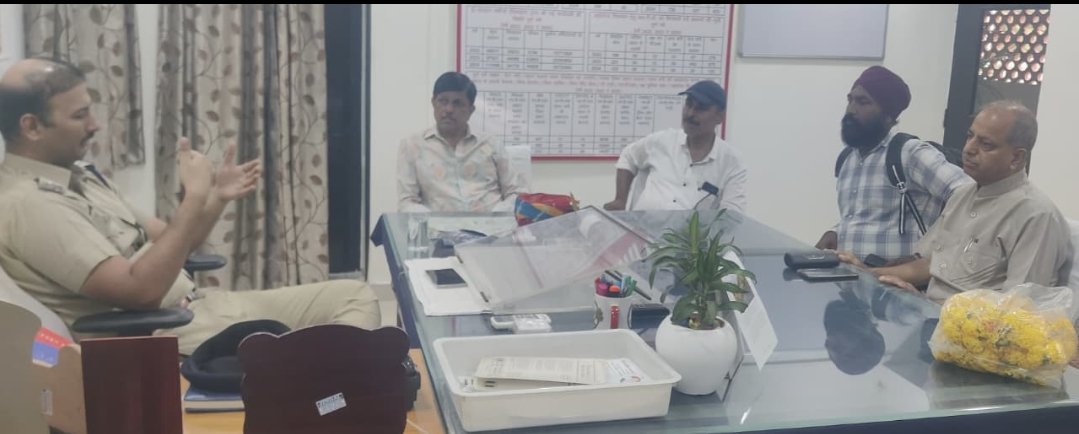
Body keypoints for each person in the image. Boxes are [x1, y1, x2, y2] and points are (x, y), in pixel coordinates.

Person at [0, 58, 380, 354]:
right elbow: (140, 291)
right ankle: (319, 395)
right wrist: (193, 197)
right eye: (80, 115)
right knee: (342, 339)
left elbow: (174, 242)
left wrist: (214, 198)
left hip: (196, 308)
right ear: (32, 127)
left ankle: (320, 390)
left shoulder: (79, 176)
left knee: (353, 295)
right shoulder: (30, 205)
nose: (95, 125)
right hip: (163, 335)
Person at [839, 101, 1072, 303]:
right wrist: (865, 274)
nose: (969, 149)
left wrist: (923, 303)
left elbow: (1019, 308)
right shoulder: (962, 196)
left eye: (986, 144)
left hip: (973, 334)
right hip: (930, 317)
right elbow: (931, 264)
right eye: (970, 136)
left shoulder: (1035, 216)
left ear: (1016, 157)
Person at [816, 66, 970, 263]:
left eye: (863, 102)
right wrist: (835, 231)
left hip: (897, 279)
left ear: (888, 115)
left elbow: (967, 194)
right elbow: (862, 216)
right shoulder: (846, 160)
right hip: (850, 276)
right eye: (850, 100)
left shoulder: (909, 153)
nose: (851, 110)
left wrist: (929, 252)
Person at [603, 80, 747, 215]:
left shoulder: (732, 162)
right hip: (641, 230)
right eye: (688, 105)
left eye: (701, 108)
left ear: (720, 117)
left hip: (689, 234)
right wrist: (620, 200)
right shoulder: (662, 141)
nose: (690, 114)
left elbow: (732, 216)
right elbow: (628, 156)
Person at [397, 71, 524, 212]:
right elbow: (407, 202)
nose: (449, 109)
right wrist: (431, 221)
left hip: (492, 224)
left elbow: (518, 192)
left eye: (457, 103)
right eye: (443, 101)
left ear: (471, 110)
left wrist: (497, 216)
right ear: (433, 103)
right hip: (439, 225)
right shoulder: (412, 146)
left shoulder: (491, 144)